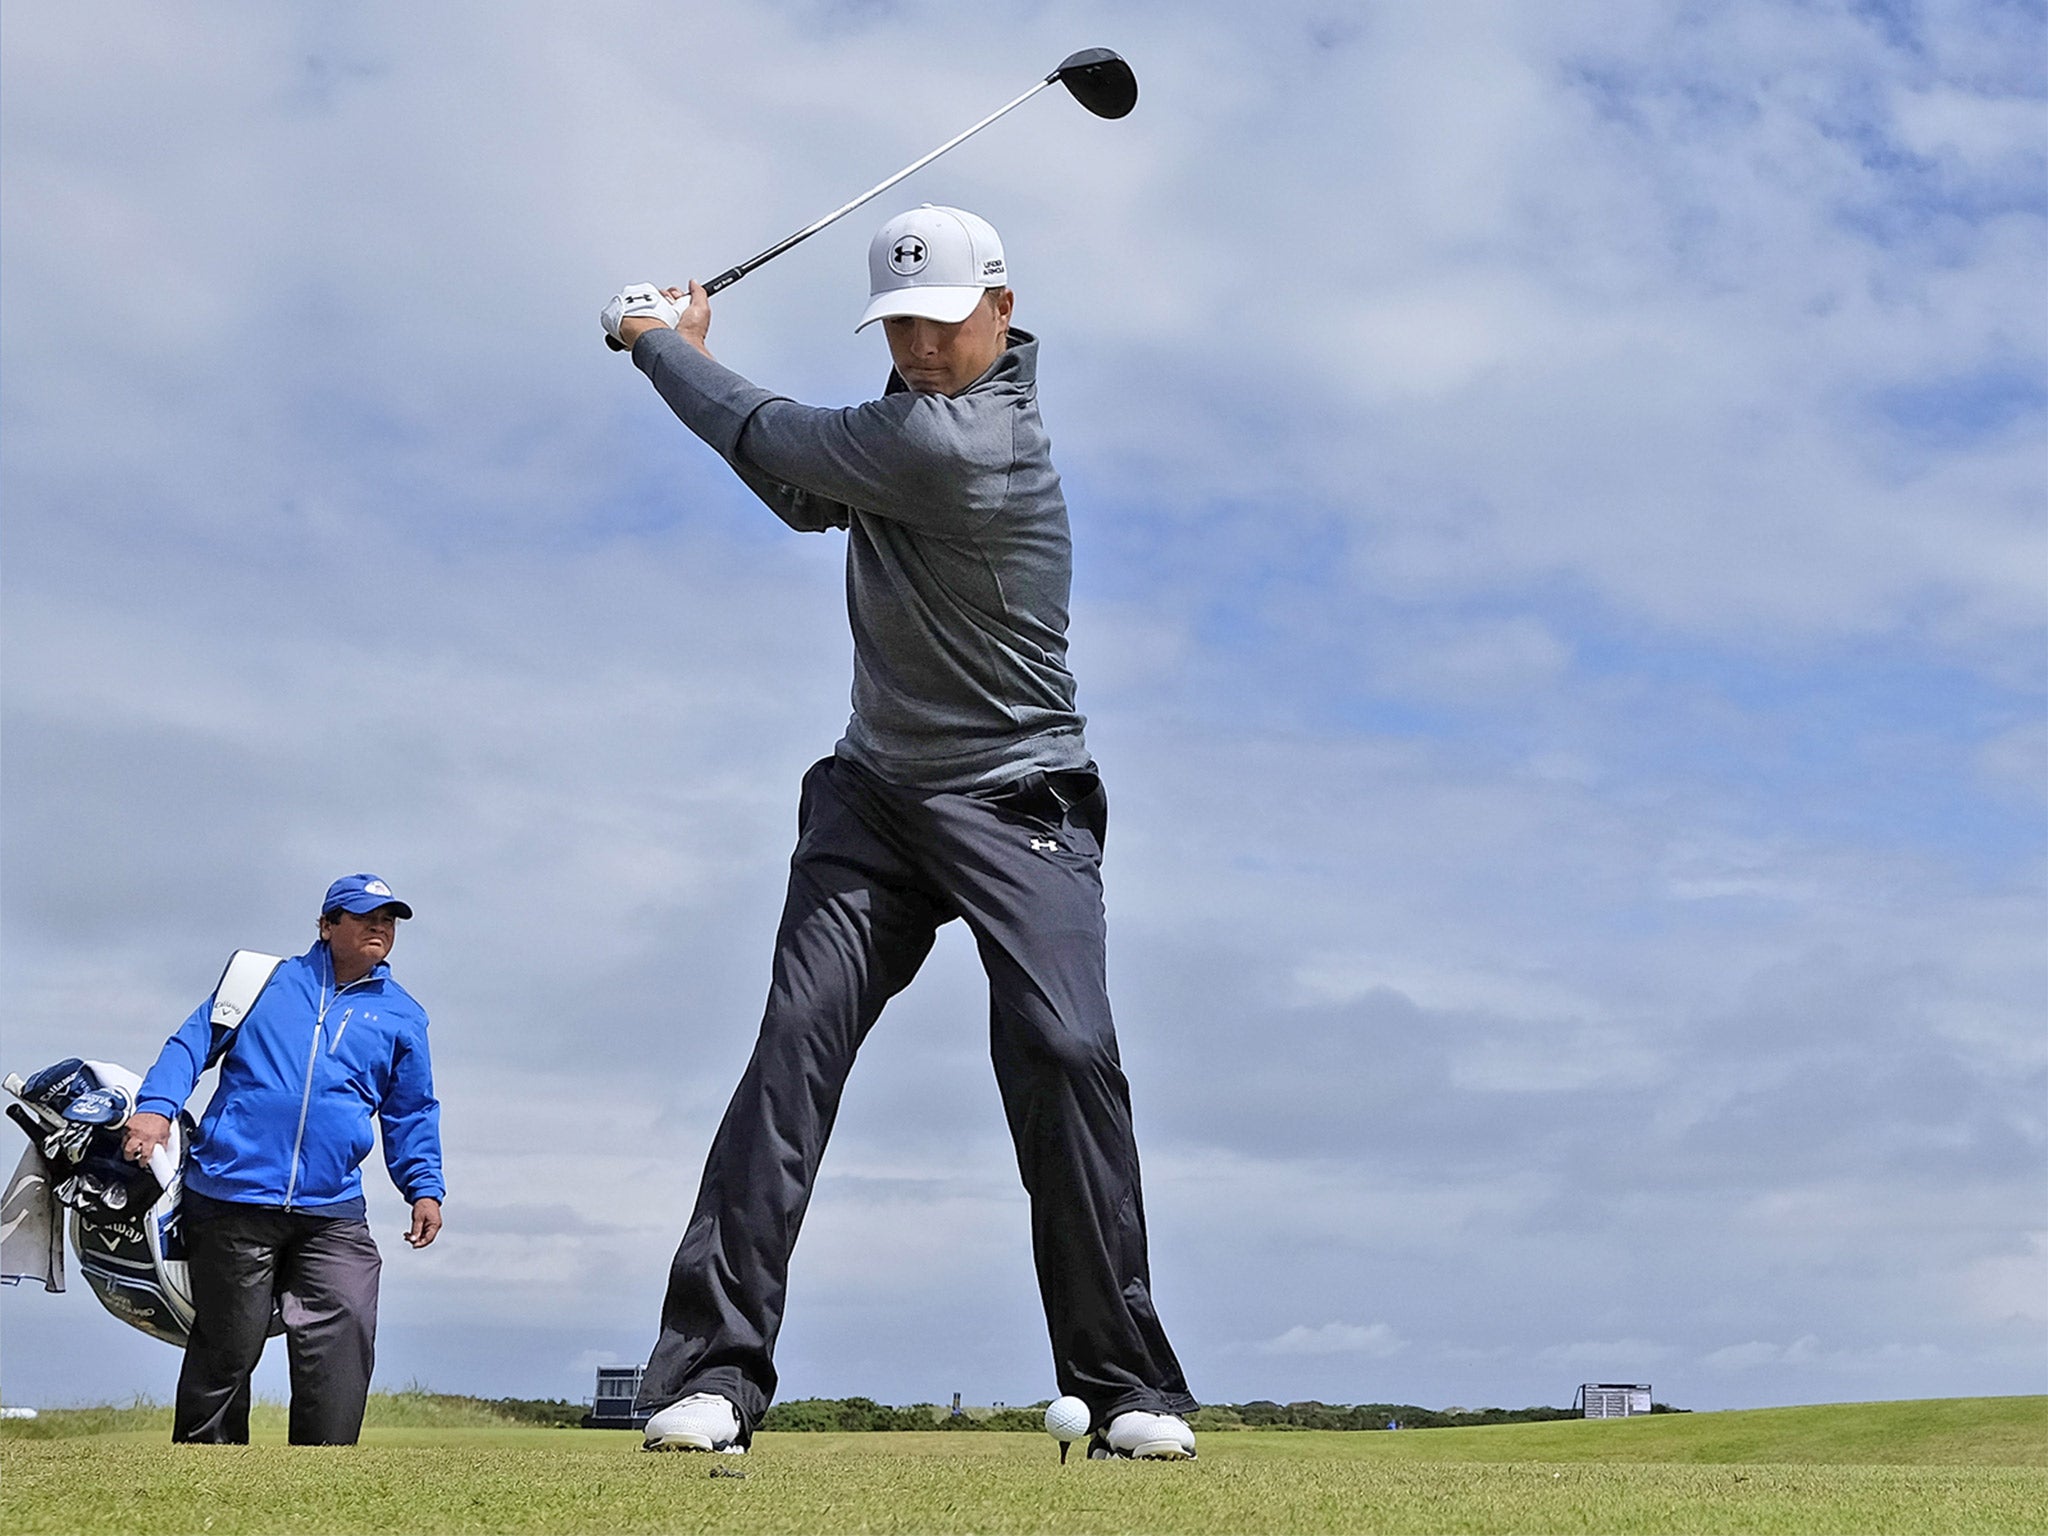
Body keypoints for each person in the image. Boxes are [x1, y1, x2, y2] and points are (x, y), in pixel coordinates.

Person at [603, 204, 1198, 1459]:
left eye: (937, 324)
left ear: (1001, 306)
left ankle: (1125, 1382)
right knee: (791, 1050)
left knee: (1066, 1049)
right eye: (897, 329)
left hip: (1016, 796)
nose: (918, 350)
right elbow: (794, 482)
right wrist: (692, 361)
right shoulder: (895, 432)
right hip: (872, 798)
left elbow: (768, 431)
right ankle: (712, 1374)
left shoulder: (970, 444)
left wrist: (663, 343)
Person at [122, 873, 444, 1446]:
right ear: (326, 925)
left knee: (345, 1321)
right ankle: (205, 1463)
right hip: (230, 1193)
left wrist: (423, 1186)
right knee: (230, 1340)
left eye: (389, 919)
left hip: (332, 1207)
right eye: (364, 916)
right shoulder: (261, 983)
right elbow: (190, 1044)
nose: (379, 927)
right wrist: (155, 1110)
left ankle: (321, 1465)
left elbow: (412, 1110)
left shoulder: (402, 1015)